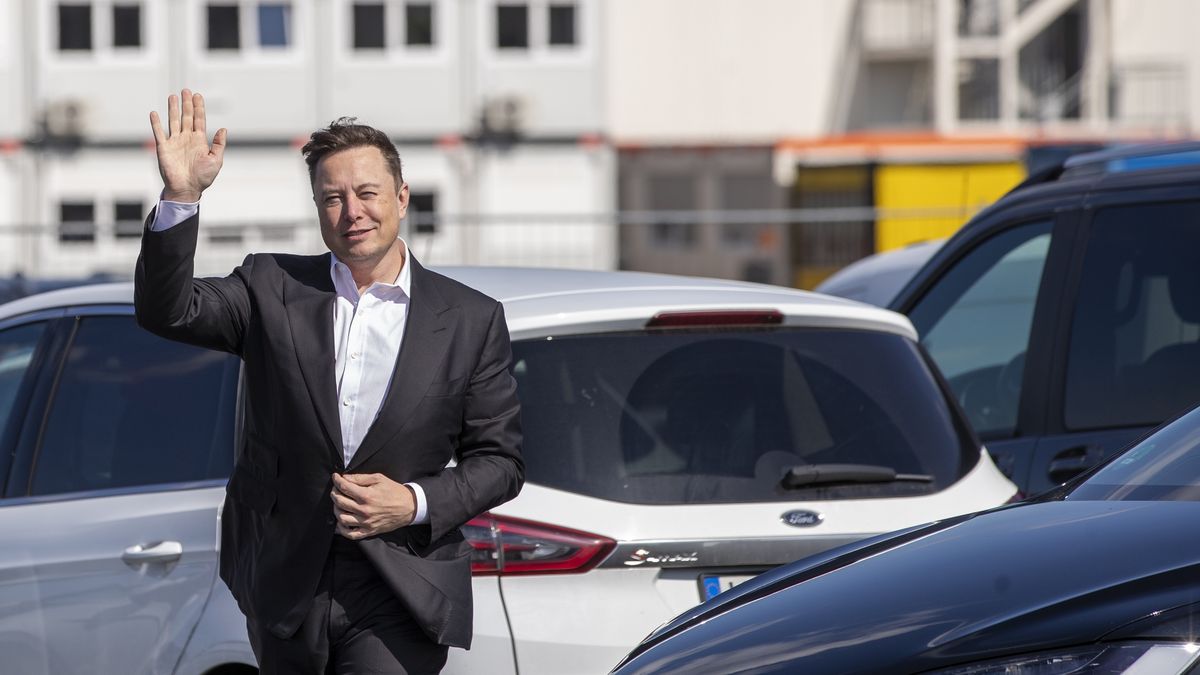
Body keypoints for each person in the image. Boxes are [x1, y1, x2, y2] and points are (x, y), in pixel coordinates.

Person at [135, 89, 524, 674]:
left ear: (401, 196)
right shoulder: (272, 286)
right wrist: (182, 196)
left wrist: (413, 501)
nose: (352, 213)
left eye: (367, 193)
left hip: (401, 584)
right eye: (332, 199)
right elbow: (168, 311)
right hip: (288, 586)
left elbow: (500, 461)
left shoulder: (470, 319)